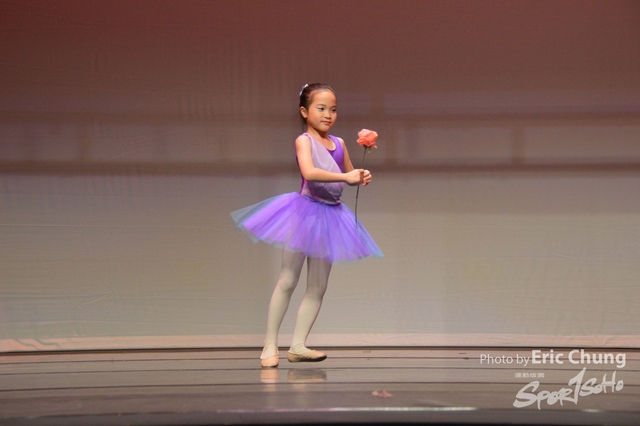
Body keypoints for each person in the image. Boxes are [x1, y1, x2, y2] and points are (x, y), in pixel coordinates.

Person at [231, 83, 382, 368]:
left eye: (333, 109)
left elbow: (348, 173)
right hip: (304, 214)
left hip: (331, 216)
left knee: (318, 286)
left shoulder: (339, 143)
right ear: (304, 111)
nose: (328, 115)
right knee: (288, 279)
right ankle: (270, 344)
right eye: (321, 108)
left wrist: (360, 175)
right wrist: (346, 178)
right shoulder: (304, 141)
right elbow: (310, 173)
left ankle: (298, 345)